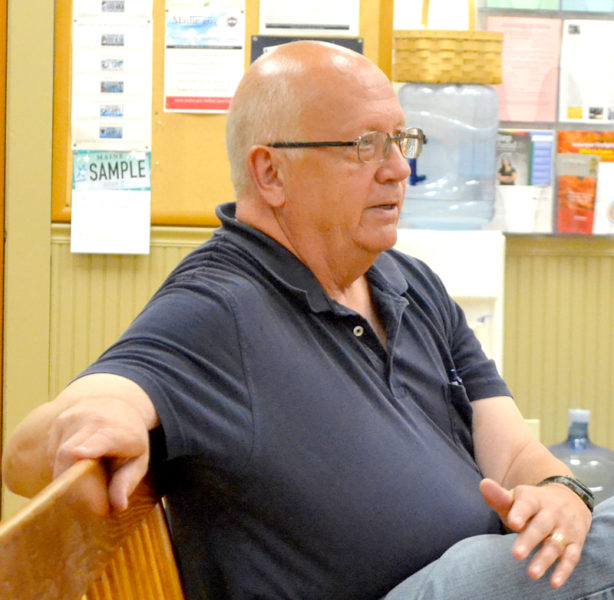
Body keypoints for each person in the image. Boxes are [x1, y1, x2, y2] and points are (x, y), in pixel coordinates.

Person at [3, 41, 614, 600]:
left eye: (401, 139)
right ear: (271, 173)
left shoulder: (410, 282)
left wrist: (562, 493)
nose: (400, 168)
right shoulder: (221, 304)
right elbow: (32, 449)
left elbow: (513, 456)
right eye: (364, 144)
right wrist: (97, 416)